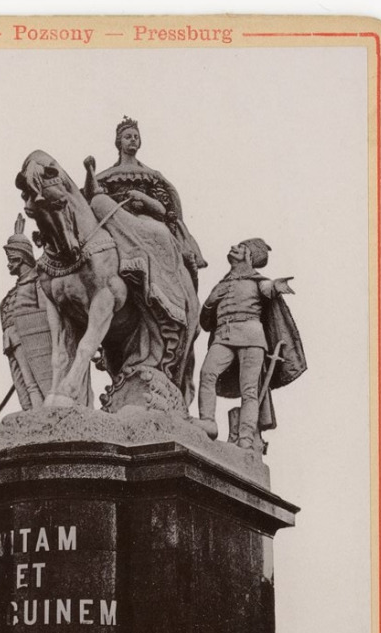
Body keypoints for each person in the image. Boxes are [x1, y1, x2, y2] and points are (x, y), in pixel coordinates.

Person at [194, 238, 306, 448]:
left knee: (249, 390)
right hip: (224, 335)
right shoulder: (221, 284)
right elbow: (206, 323)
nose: (233, 247)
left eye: (240, 247)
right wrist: (210, 302)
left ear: (249, 256)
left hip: (251, 337)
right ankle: (208, 422)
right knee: (207, 373)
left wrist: (276, 286)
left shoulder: (257, 281)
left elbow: (268, 288)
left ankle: (245, 438)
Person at [83, 116, 207, 290]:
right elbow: (91, 196)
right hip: (114, 221)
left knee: (161, 232)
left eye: (136, 137)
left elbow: (162, 210)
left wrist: (142, 197)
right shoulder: (108, 175)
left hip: (144, 220)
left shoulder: (151, 175)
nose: (133, 139)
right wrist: (89, 171)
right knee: (99, 202)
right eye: (128, 137)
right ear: (119, 142)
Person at [0, 214, 53, 410]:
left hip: (29, 338)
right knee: (21, 383)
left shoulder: (36, 281)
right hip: (11, 340)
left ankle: (38, 416)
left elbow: (46, 312)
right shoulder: (12, 291)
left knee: (33, 383)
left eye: (11, 259)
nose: (8, 264)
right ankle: (29, 413)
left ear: (20, 258)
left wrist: (19, 238)